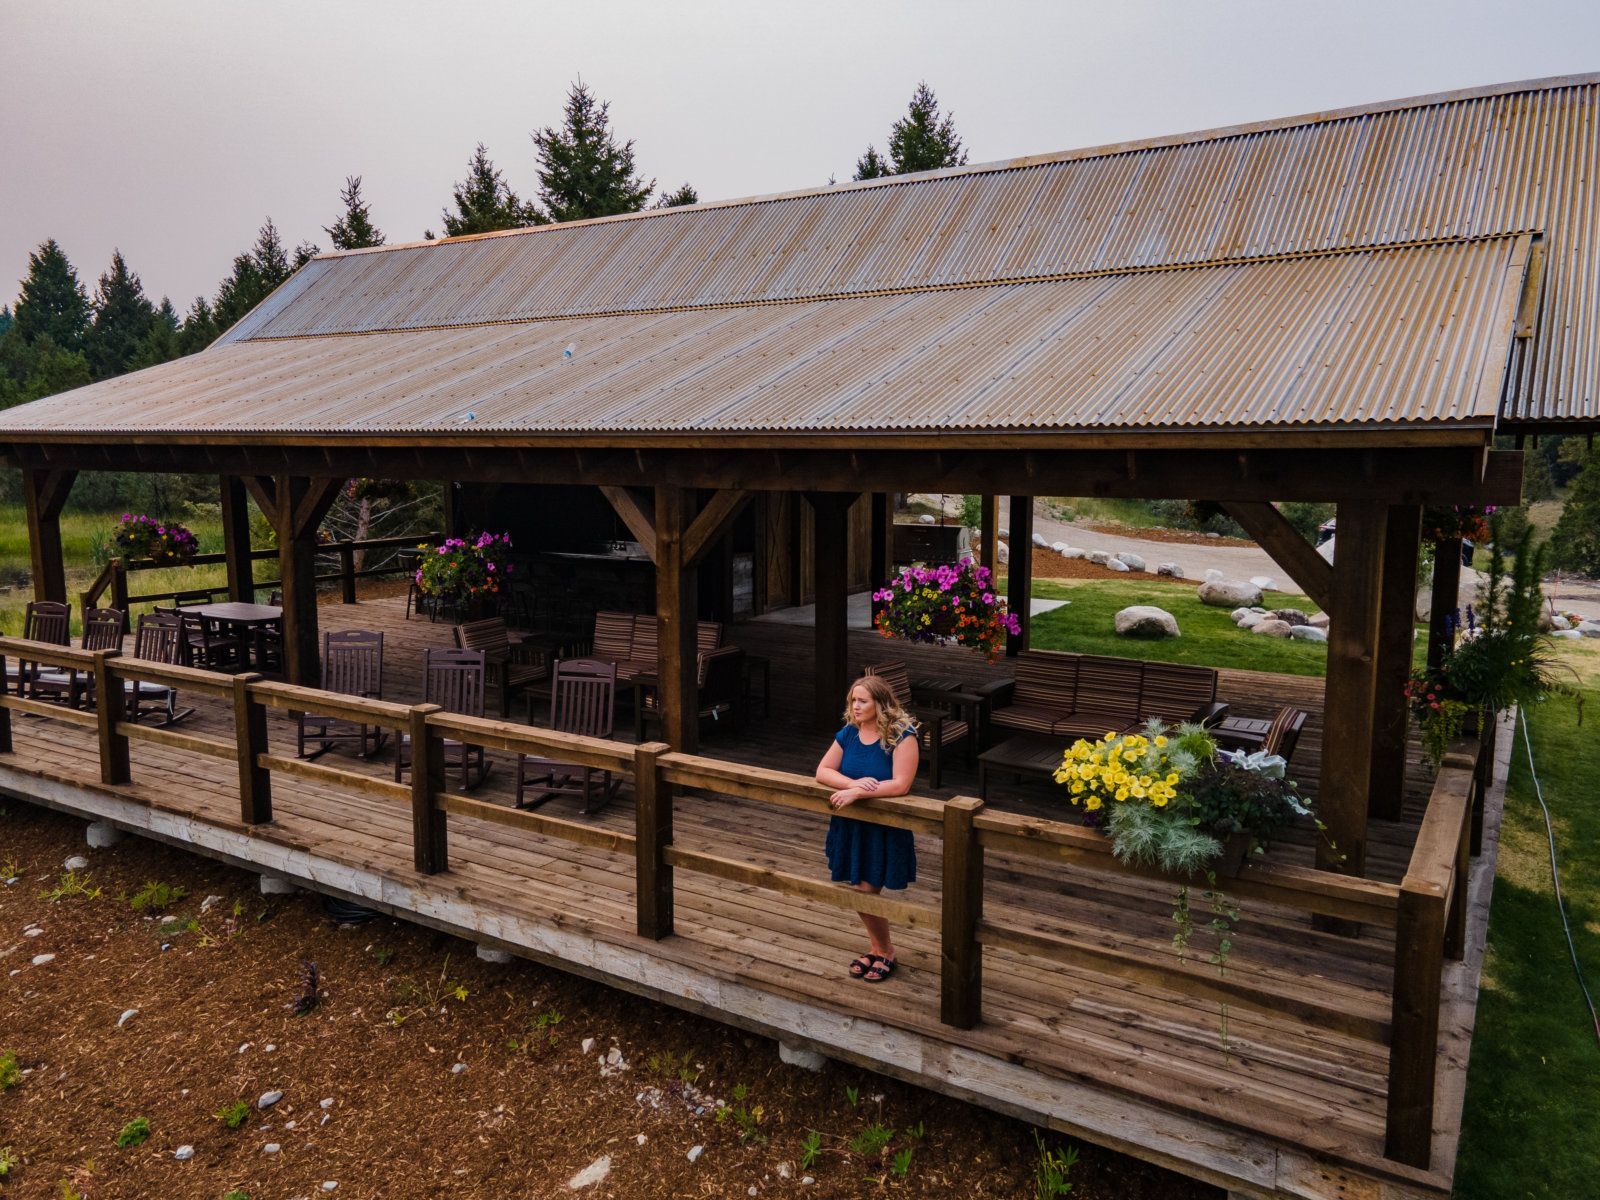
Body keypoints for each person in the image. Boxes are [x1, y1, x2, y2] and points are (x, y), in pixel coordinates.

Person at [815, 675, 920, 983]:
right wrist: (851, 785)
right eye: (853, 700)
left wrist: (858, 793)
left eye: (862, 701)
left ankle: (885, 951)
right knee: (860, 890)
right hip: (851, 825)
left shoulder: (902, 735)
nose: (855, 706)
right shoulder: (849, 732)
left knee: (865, 890)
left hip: (883, 827)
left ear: (880, 704)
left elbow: (901, 784)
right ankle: (877, 949)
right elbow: (822, 771)